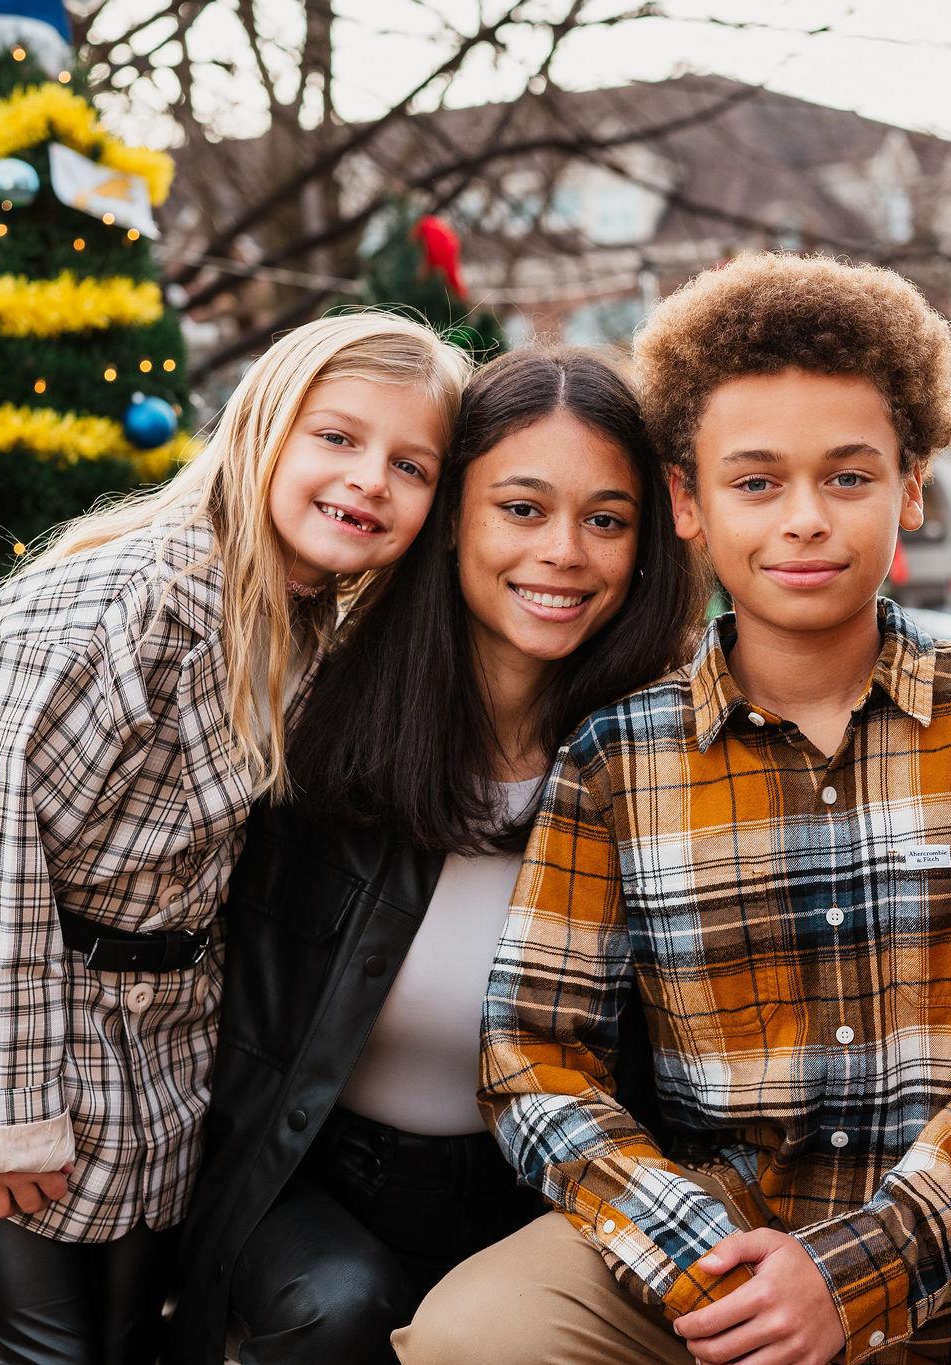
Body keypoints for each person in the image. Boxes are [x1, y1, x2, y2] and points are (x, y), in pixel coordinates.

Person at [398, 253, 951, 1365]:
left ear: (911, 486)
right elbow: (534, 1051)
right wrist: (701, 1257)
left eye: (847, 477)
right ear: (685, 502)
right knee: (474, 1334)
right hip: (716, 1244)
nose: (804, 521)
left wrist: (860, 1268)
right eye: (755, 481)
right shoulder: (619, 758)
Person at [0, 311, 473, 1365]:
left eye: (410, 464)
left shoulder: (299, 622)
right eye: (338, 439)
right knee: (46, 1353)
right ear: (263, 428)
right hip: (10, 1023)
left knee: (132, 1342)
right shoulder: (122, 605)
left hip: (156, 1038)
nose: (369, 480)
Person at [170, 347, 702, 1364]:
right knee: (342, 1307)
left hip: (544, 1197)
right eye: (521, 508)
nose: (563, 553)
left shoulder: (662, 755)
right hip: (313, 1191)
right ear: (453, 513)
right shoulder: (312, 720)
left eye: (605, 519)